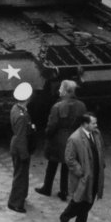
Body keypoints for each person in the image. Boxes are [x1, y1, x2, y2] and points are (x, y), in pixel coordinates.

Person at [35, 79, 86, 200]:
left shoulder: (57, 106)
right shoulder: (81, 105)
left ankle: (47, 188)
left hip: (58, 139)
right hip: (74, 137)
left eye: (60, 88)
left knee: (52, 164)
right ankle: (64, 191)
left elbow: (52, 125)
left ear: (64, 91)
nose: (58, 90)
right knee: (66, 165)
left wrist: (47, 135)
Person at [59, 114, 105, 222]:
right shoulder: (75, 138)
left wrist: (102, 164)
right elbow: (69, 159)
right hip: (83, 177)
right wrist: (82, 172)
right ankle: (65, 217)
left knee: (88, 201)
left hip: (95, 175)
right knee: (79, 200)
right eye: (93, 123)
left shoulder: (96, 133)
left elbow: (100, 149)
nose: (96, 125)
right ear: (85, 124)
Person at [7, 82, 35, 213]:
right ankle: (15, 203)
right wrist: (24, 154)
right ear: (28, 98)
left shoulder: (16, 108)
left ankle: (20, 196)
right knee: (21, 175)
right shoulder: (22, 116)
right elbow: (21, 137)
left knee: (20, 174)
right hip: (20, 148)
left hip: (16, 146)